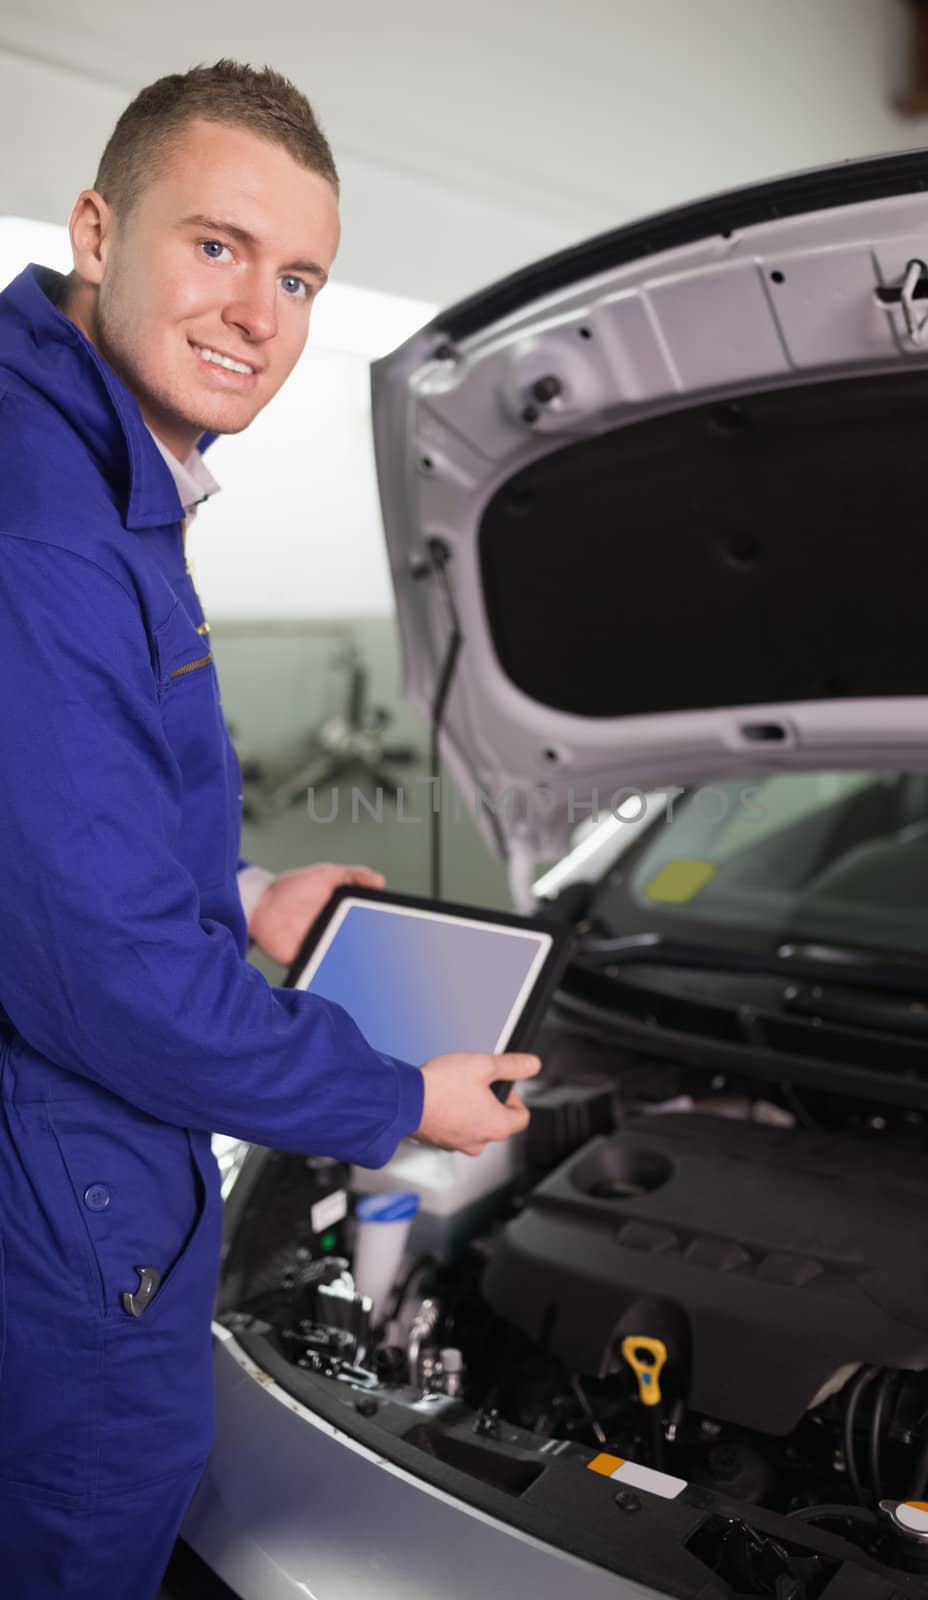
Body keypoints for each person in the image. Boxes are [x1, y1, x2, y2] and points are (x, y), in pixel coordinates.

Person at [0, 60, 539, 1599]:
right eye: (216, 247)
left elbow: (50, 816)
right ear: (97, 232)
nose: (260, 313)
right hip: (60, 1188)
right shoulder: (45, 519)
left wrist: (240, 891)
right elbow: (103, 980)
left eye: (298, 276)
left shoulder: (79, 454)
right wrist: (392, 1100)